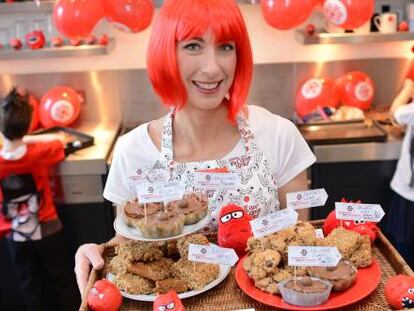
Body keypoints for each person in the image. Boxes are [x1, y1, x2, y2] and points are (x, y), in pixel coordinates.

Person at [74, 0, 316, 295]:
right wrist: (96, 252)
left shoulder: (279, 135)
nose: (212, 67)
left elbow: (301, 243)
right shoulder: (132, 151)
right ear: (167, 53)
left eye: (226, 47)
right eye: (193, 46)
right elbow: (129, 249)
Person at [0, 88, 79, 311]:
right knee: (62, 279)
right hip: (47, 228)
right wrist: (31, 136)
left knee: (30, 285)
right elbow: (59, 139)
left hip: (15, 235)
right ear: (27, 126)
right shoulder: (38, 152)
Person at [383, 78, 414, 268]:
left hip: (409, 197)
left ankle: (407, 288)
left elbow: (394, 113)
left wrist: (408, 87)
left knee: (404, 252)